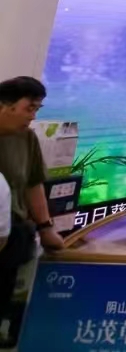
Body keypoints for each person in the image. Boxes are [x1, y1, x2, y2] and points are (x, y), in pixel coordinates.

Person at [0, 76, 63, 312]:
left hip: (10, 236)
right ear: (5, 105)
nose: (33, 117)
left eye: (37, 109)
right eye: (29, 108)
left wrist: (46, 228)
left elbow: (33, 184)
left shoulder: (26, 137)